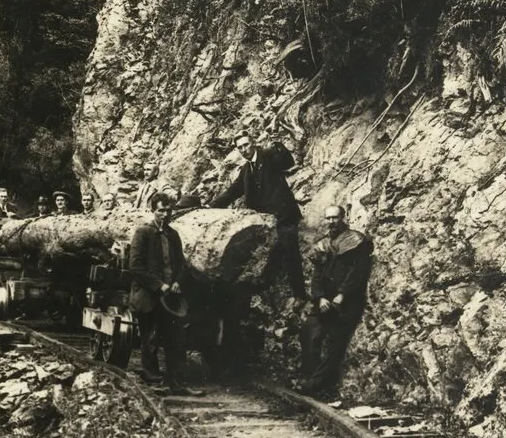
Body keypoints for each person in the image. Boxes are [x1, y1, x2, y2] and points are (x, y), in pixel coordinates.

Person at [210, 131, 306, 298]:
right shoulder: (247, 169)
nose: (244, 149)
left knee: (291, 253)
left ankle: (300, 295)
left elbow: (286, 162)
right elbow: (233, 191)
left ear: (253, 143)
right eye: (240, 147)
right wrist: (210, 206)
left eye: (246, 145)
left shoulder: (267, 156)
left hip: (284, 215)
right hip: (266, 219)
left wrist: (277, 144)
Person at [128, 190, 203, 395]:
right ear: (153, 211)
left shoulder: (173, 234)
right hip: (150, 296)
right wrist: (158, 285)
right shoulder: (143, 232)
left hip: (171, 298)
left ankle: (177, 383)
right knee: (150, 339)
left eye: (168, 210)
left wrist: (178, 282)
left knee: (176, 340)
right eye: (161, 210)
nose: (165, 214)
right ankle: (154, 382)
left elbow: (182, 264)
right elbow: (135, 266)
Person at [300, 204, 372, 400]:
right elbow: (316, 276)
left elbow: (357, 273)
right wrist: (320, 296)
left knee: (335, 342)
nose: (331, 222)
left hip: (346, 303)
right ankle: (310, 379)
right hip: (324, 300)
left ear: (343, 217)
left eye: (335, 217)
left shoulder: (356, 241)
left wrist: (342, 294)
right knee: (309, 332)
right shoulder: (323, 245)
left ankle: (316, 385)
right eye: (328, 218)